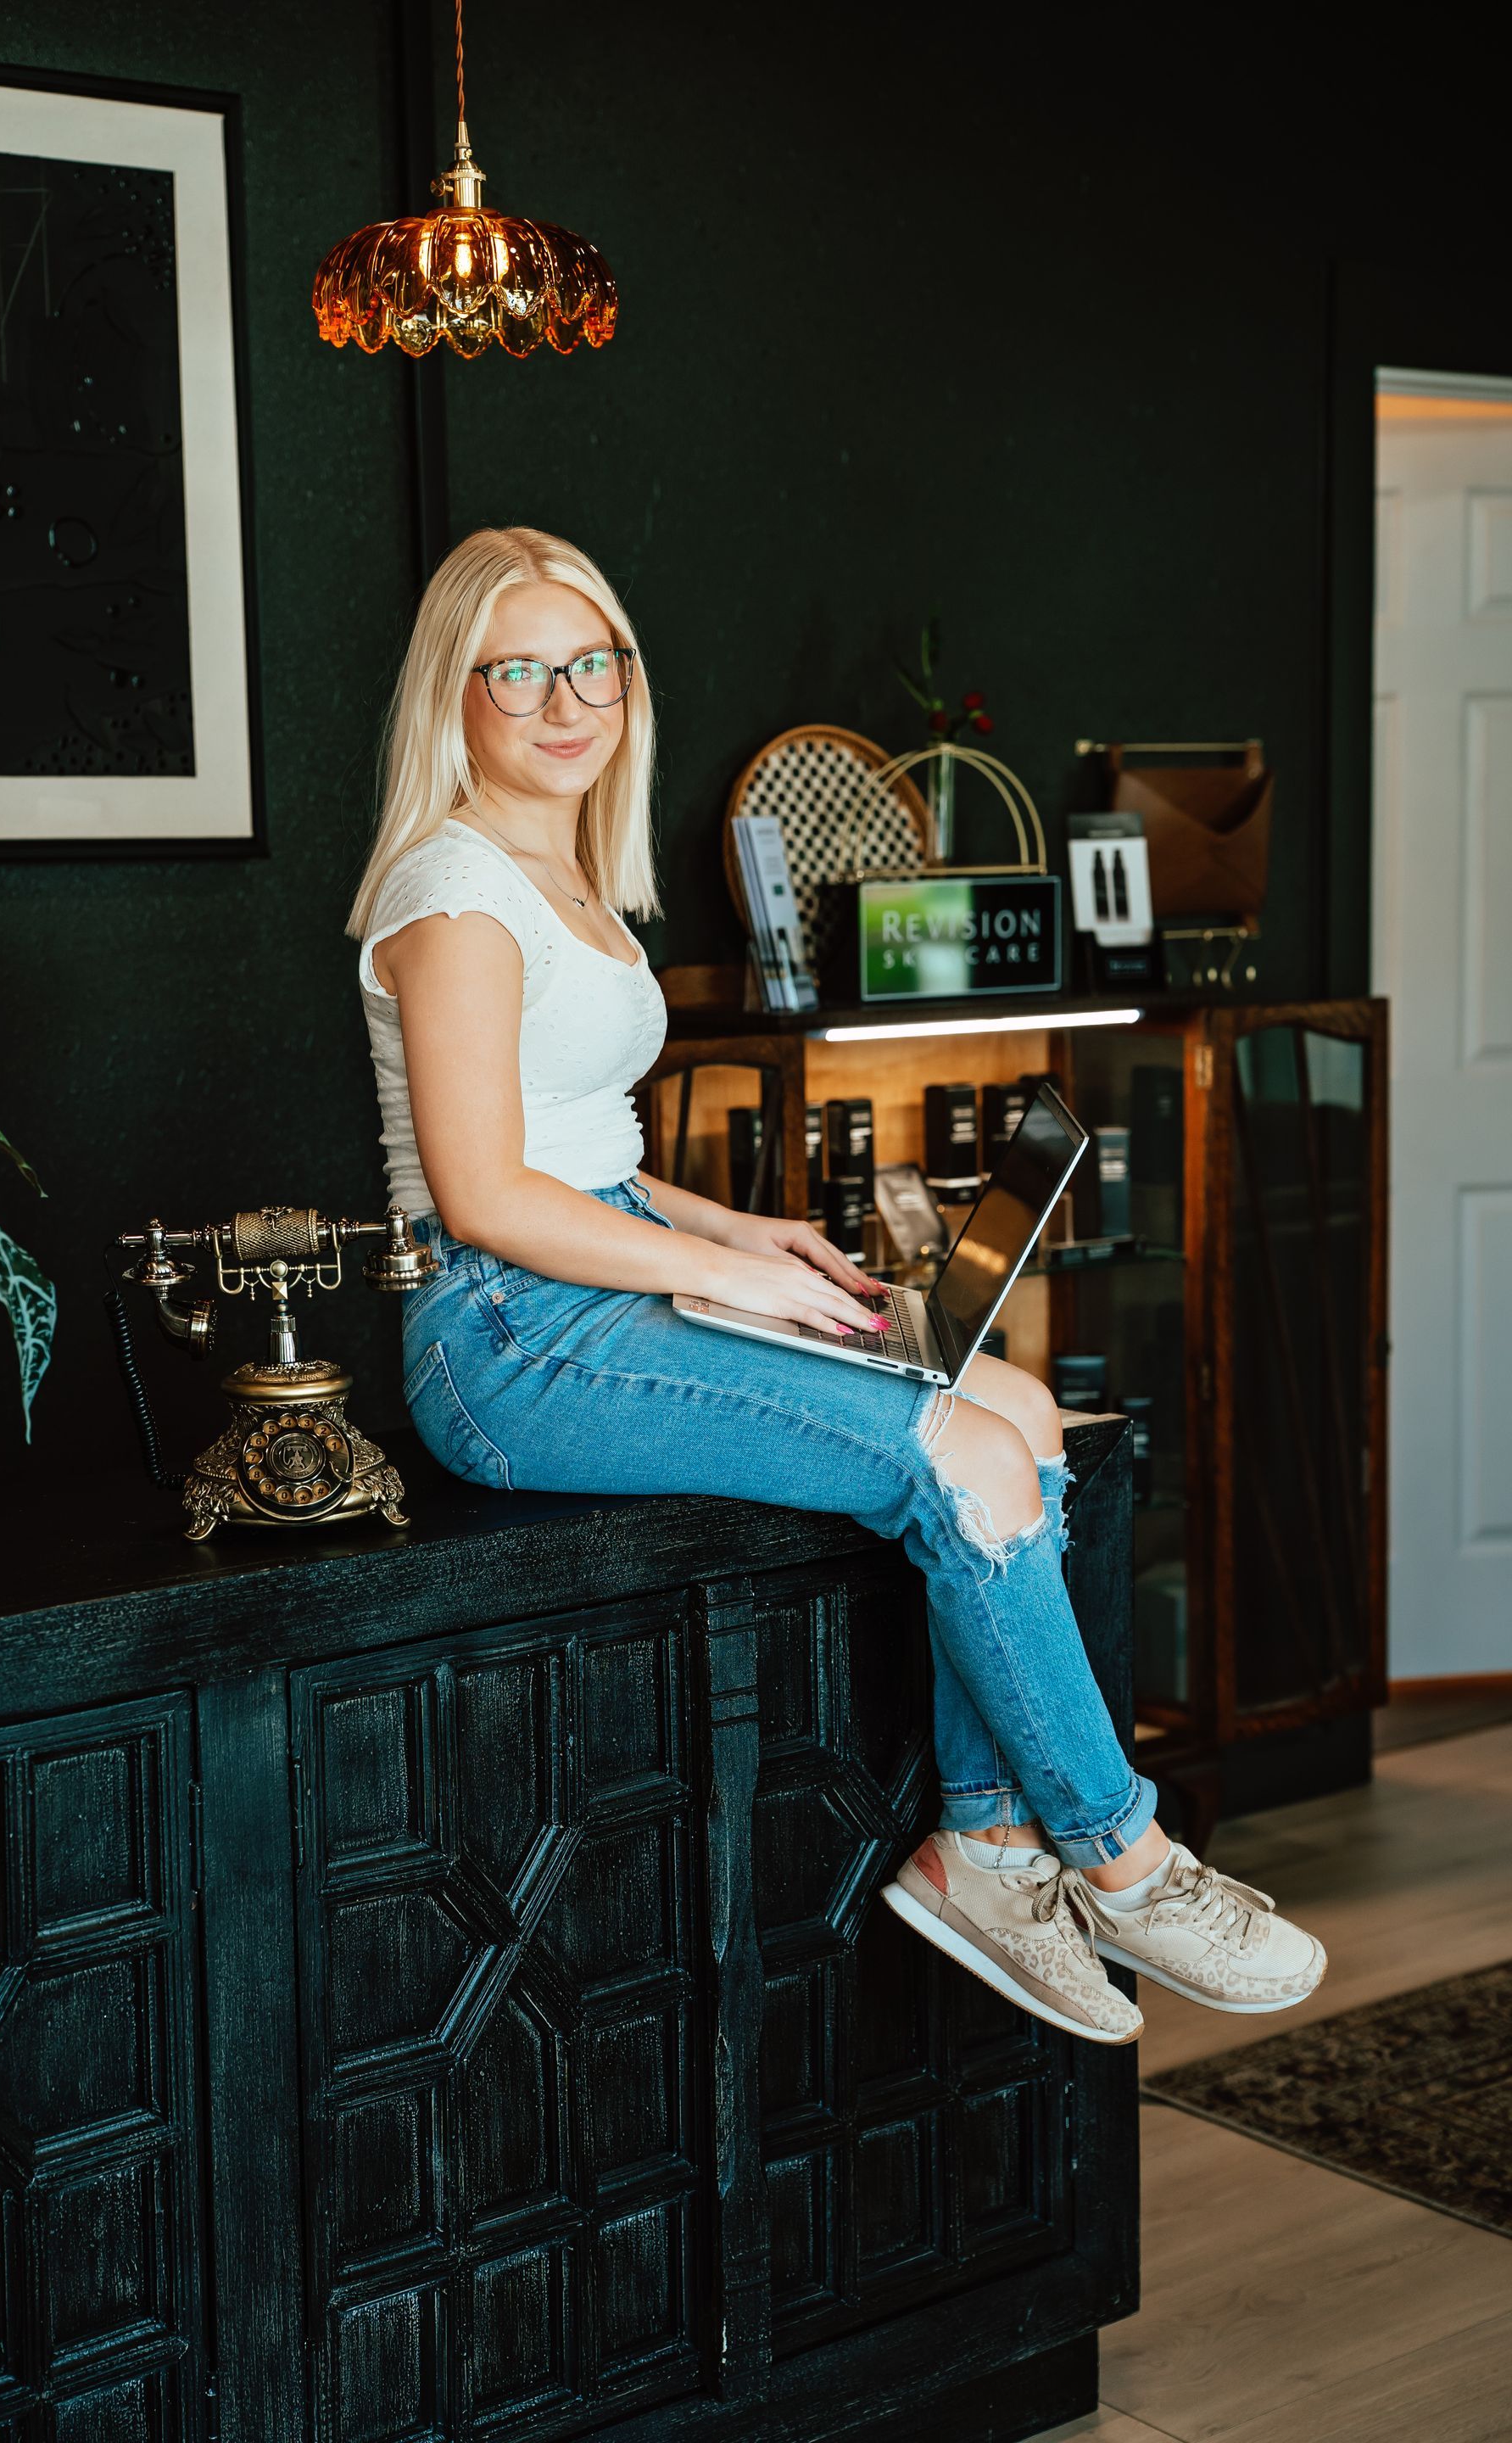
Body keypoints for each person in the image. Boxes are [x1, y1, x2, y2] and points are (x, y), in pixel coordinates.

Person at [352, 524, 1325, 2046]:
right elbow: (484, 1197)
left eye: (591, 664)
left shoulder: (564, 868)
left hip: (593, 1265)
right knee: (954, 1448)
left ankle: (990, 1855)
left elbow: (578, 1154)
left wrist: (745, 1241)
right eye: (521, 672)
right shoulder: (456, 893)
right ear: (454, 694)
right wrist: (721, 1279)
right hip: (509, 1334)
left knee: (1020, 1409)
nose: (565, 703)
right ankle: (1121, 1856)